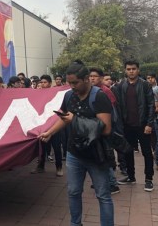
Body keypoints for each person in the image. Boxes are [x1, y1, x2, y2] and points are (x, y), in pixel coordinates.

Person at [38, 60, 114, 226]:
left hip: (96, 154)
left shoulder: (99, 96)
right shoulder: (69, 95)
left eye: (75, 82)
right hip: (74, 153)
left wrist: (76, 119)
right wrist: (50, 133)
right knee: (73, 192)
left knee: (103, 195)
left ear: (86, 78)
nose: (72, 86)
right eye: (69, 82)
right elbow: (65, 118)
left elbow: (106, 129)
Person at [113, 60, 155, 192]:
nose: (131, 71)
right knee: (128, 151)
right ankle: (131, 177)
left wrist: (149, 124)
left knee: (147, 153)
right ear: (125, 70)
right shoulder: (121, 86)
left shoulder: (145, 85)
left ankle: (149, 179)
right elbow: (118, 105)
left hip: (142, 125)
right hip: (127, 126)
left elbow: (150, 105)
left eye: (133, 69)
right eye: (129, 69)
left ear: (138, 70)